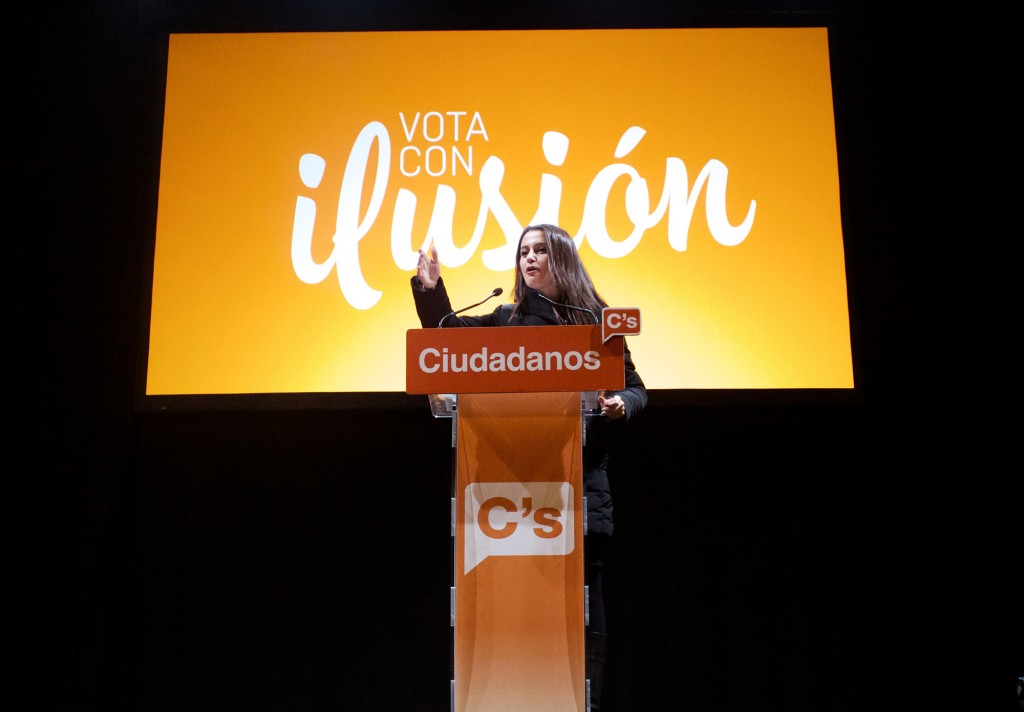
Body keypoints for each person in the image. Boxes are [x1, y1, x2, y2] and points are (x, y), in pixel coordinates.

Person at [411, 223, 647, 711]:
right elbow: (448, 338)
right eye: (524, 252)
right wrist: (432, 291)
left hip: (577, 492)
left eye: (540, 250)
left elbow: (636, 387)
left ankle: (586, 702)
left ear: (561, 257)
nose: (530, 259)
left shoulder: (596, 321)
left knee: (583, 604)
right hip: (511, 499)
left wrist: (621, 403)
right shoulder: (504, 320)